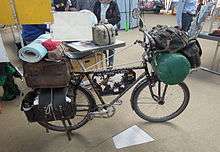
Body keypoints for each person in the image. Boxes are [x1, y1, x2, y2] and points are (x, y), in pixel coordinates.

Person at [93, 0, 121, 67]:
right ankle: (104, 62)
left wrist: (107, 21)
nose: (102, 1)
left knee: (111, 46)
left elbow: (118, 18)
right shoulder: (97, 3)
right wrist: (96, 22)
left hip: (111, 28)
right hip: (100, 28)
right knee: (102, 45)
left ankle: (110, 64)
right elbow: (94, 15)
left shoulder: (113, 4)